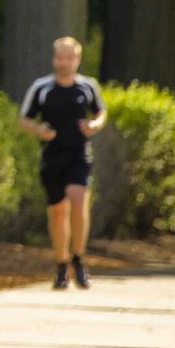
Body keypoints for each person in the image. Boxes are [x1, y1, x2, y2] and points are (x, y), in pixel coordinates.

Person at [19, 37, 107, 290]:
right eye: (60, 57)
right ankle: (61, 264)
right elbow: (24, 119)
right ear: (54, 58)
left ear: (77, 59)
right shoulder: (42, 88)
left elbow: (101, 112)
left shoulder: (87, 87)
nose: (64, 62)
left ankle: (78, 258)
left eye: (69, 57)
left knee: (78, 198)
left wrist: (93, 126)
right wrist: (40, 130)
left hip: (79, 153)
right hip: (52, 156)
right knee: (58, 211)